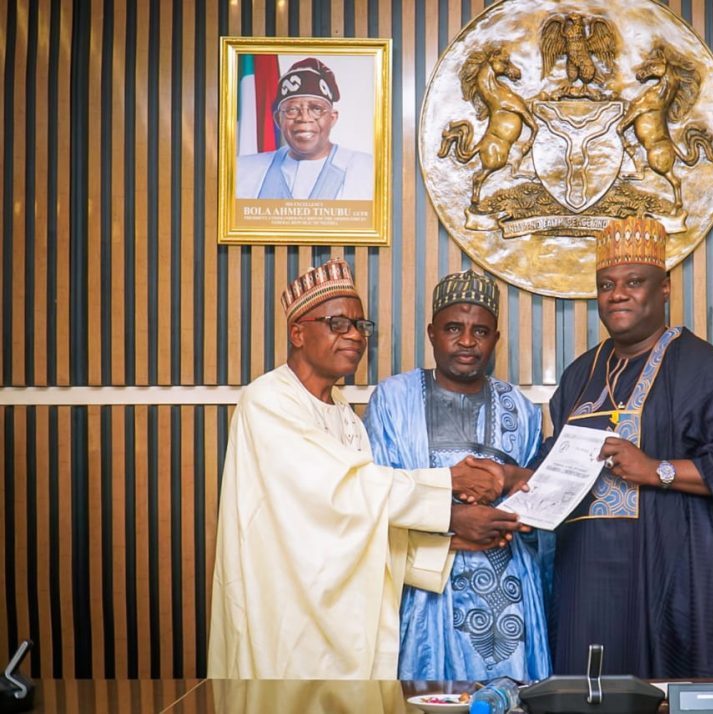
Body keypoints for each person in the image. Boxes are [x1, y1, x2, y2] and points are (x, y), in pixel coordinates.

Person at [208, 257, 522, 679]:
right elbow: (345, 491)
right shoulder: (268, 401)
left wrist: (446, 545)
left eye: (360, 325)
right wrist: (449, 487)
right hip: (286, 612)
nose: (355, 335)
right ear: (297, 333)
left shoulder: (344, 414)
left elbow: (360, 520)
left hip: (337, 618)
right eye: (337, 324)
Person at [531, 217, 713, 679]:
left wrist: (657, 469)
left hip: (670, 576)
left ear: (665, 288)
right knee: (583, 691)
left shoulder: (704, 370)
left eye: (634, 282)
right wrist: (517, 481)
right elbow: (559, 458)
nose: (617, 294)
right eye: (606, 285)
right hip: (584, 581)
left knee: (663, 692)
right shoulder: (580, 373)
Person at [364, 271, 553, 682]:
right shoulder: (393, 399)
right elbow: (375, 497)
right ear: (432, 333)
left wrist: (513, 510)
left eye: (480, 331)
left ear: (495, 339)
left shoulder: (521, 409)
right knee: (425, 698)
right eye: (453, 328)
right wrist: (453, 521)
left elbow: (541, 507)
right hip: (425, 590)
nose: (467, 341)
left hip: (511, 592)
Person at [236, 57, 373, 200]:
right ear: (278, 119)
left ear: (332, 118)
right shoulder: (242, 171)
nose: (304, 118)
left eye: (316, 109)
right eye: (292, 110)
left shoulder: (369, 170)